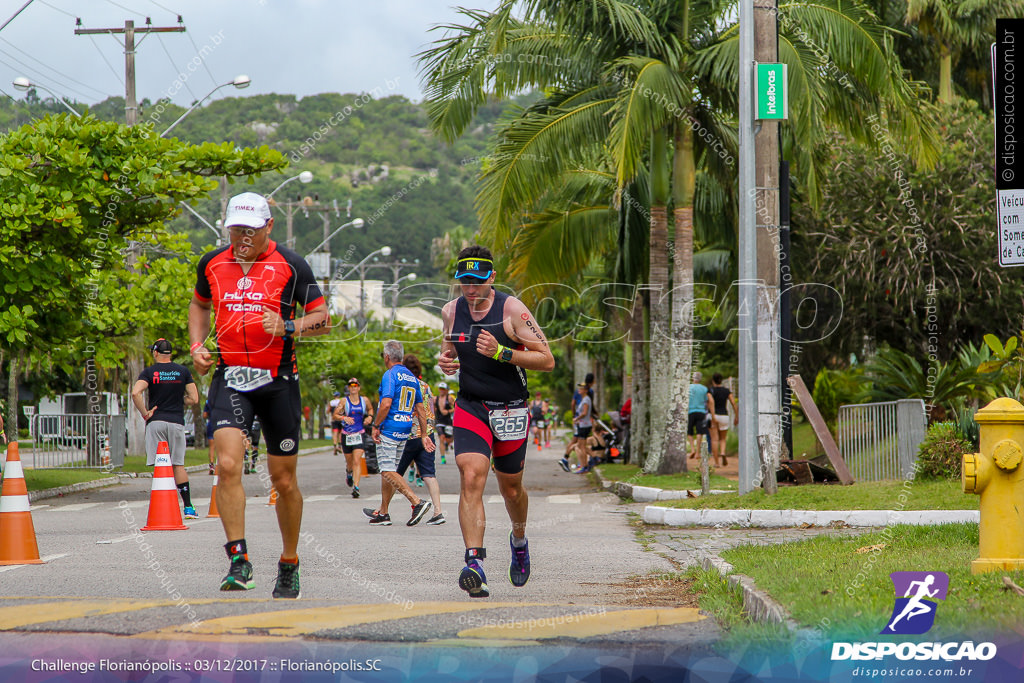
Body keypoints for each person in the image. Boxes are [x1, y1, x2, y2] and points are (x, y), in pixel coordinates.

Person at [189, 191, 330, 599]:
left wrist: (287, 327)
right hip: (230, 375)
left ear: (269, 226)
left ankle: (289, 563)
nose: (242, 236)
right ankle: (239, 560)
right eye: (236, 228)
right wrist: (198, 346)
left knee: (283, 480)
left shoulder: (292, 265)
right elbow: (199, 305)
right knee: (228, 464)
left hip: (278, 379)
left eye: (250, 229)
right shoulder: (213, 263)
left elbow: (324, 320)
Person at [438, 245, 555, 598]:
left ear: (491, 278)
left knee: (511, 489)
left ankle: (519, 540)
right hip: (471, 406)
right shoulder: (450, 311)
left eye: (476, 281)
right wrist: (445, 362)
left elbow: (546, 359)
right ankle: (474, 563)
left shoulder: (513, 311)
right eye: (464, 282)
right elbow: (449, 348)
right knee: (471, 475)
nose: (470, 289)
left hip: (510, 409)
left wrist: (502, 352)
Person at [365, 340, 435, 527]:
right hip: (405, 429)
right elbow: (420, 409)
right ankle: (384, 512)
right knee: (391, 471)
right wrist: (423, 434)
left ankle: (416, 502)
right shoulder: (412, 378)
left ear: (387, 357)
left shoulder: (390, 375)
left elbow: (386, 403)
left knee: (387, 470)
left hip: (390, 428)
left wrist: (375, 425)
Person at [131, 338, 200, 518]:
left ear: (155, 352)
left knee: (160, 466)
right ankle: (188, 507)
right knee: (178, 465)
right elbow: (194, 398)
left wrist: (145, 413)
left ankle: (162, 508)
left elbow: (135, 392)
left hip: (156, 422)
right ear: (170, 354)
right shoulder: (182, 371)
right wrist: (180, 401)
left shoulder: (149, 372)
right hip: (176, 422)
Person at [336, 377, 372, 499]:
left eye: (355, 385)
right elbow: (335, 415)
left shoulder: (364, 400)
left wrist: (369, 417)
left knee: (357, 461)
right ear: (348, 388)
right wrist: (343, 418)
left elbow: (370, 409)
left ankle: (356, 487)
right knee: (350, 462)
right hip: (347, 435)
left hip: (359, 434)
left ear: (359, 387)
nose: (353, 387)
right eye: (351, 386)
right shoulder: (344, 401)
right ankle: (349, 473)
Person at [560, 382, 593, 473]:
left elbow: (584, 413)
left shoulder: (586, 400)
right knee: (581, 446)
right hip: (582, 425)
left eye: (581, 388)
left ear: (585, 390)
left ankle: (584, 466)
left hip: (584, 425)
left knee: (581, 447)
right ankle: (585, 464)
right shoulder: (584, 399)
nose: (579, 390)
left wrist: (576, 418)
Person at [709, 373, 739, 467]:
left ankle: (716, 462)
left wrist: (713, 415)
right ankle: (722, 452)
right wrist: (736, 416)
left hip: (714, 416)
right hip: (724, 416)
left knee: (714, 439)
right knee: (723, 438)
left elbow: (710, 402)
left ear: (713, 381)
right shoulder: (726, 391)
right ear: (721, 380)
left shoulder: (711, 390)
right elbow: (734, 403)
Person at [687, 372, 714, 460]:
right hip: (701, 412)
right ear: (700, 379)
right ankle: (698, 453)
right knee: (700, 432)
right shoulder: (704, 389)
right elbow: (707, 401)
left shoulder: (688, 388)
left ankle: (692, 449)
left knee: (690, 431)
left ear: (692, 378)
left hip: (690, 411)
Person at [433, 381, 454, 464]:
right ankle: (443, 458)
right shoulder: (435, 399)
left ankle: (447, 444)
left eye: (443, 389)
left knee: (450, 439)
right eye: (440, 389)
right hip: (439, 421)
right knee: (441, 437)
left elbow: (456, 407)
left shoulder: (449, 398)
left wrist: (448, 411)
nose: (441, 390)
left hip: (448, 421)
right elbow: (433, 410)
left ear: (446, 390)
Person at [203, 400, 216, 475]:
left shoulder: (208, 401)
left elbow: (204, 415)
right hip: (221, 424)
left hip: (211, 424)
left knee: (212, 447)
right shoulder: (224, 399)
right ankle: (220, 464)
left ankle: (211, 465)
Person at [328, 391, 343, 455]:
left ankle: (335, 447)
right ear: (339, 396)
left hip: (334, 419)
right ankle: (339, 446)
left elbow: (328, 411)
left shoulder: (331, 402)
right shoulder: (341, 401)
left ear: (334, 396)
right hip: (340, 419)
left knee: (335, 433)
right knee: (340, 433)